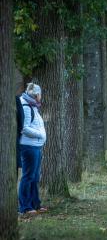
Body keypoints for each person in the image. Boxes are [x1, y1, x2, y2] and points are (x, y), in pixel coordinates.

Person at [18, 83, 47, 214]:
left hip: (36, 146)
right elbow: (25, 128)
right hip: (28, 146)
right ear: (36, 95)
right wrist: (40, 135)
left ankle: (35, 204)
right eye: (40, 94)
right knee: (28, 176)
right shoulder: (26, 106)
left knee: (34, 177)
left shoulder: (33, 106)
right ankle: (25, 207)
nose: (41, 96)